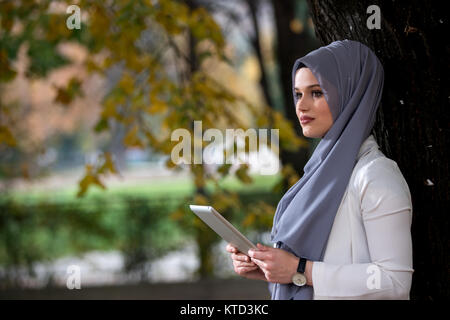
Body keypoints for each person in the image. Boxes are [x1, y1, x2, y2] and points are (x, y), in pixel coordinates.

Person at [226, 39, 414, 300]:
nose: (301, 106)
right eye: (298, 94)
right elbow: (319, 266)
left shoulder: (375, 175)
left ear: (350, 94)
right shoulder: (318, 173)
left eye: (316, 92)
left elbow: (395, 282)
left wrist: (299, 269)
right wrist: (270, 268)